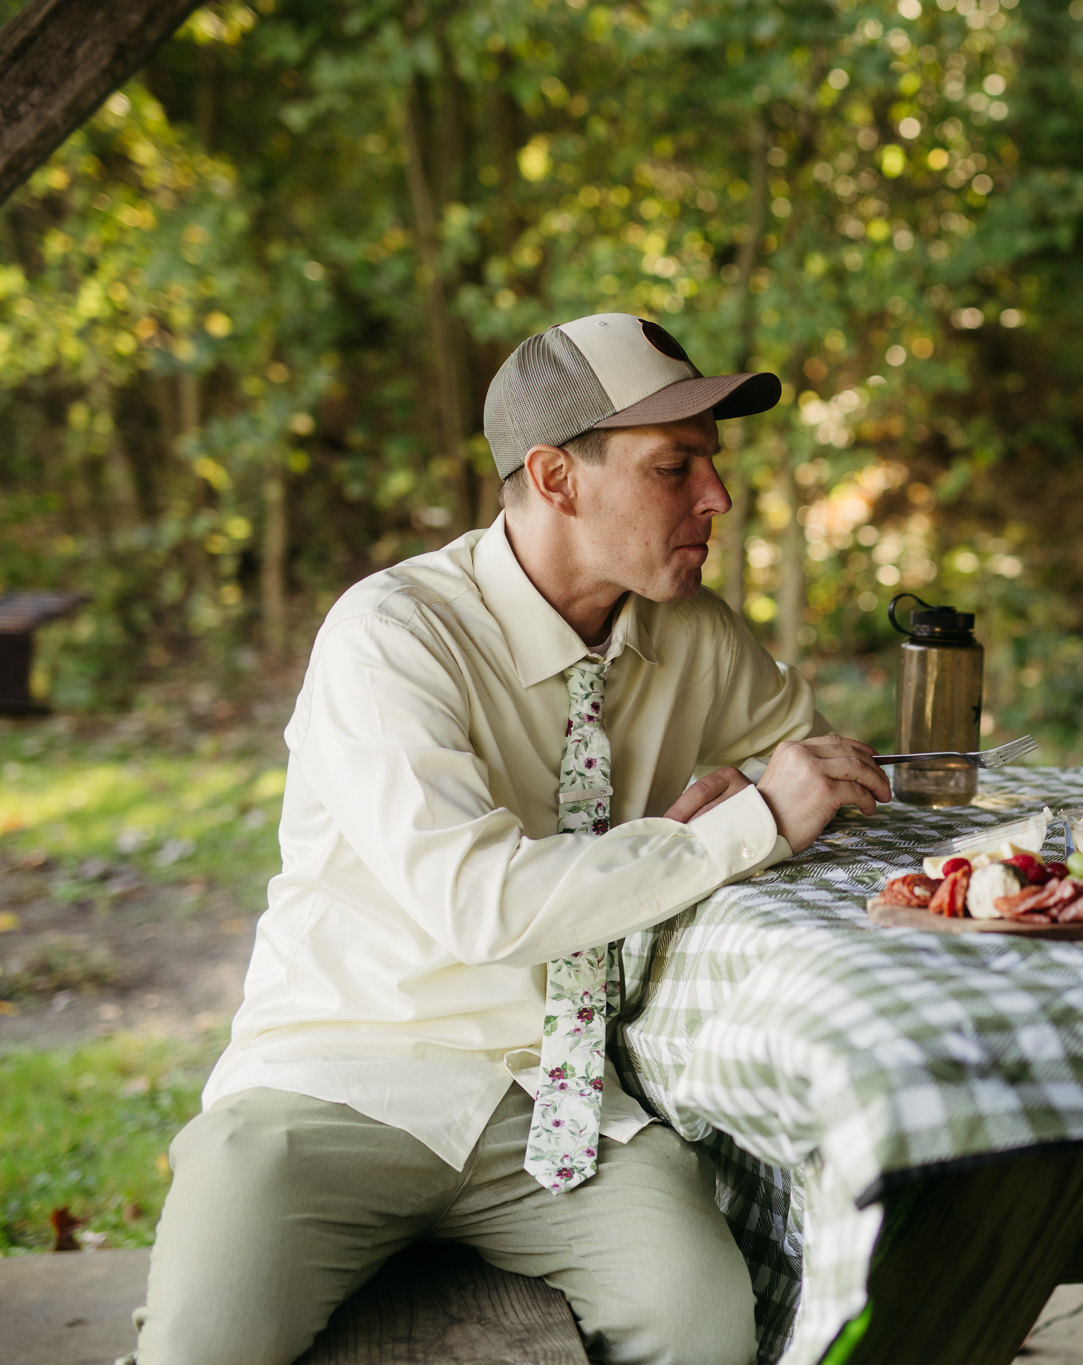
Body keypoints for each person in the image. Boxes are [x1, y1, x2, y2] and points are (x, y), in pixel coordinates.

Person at [132, 313, 892, 1365]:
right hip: (341, 1077)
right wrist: (740, 824)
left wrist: (763, 798)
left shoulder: (693, 633)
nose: (715, 499)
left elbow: (829, 781)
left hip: (561, 1097)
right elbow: (482, 904)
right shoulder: (392, 635)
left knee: (705, 1323)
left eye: (710, 468)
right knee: (198, 1349)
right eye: (674, 468)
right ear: (555, 477)